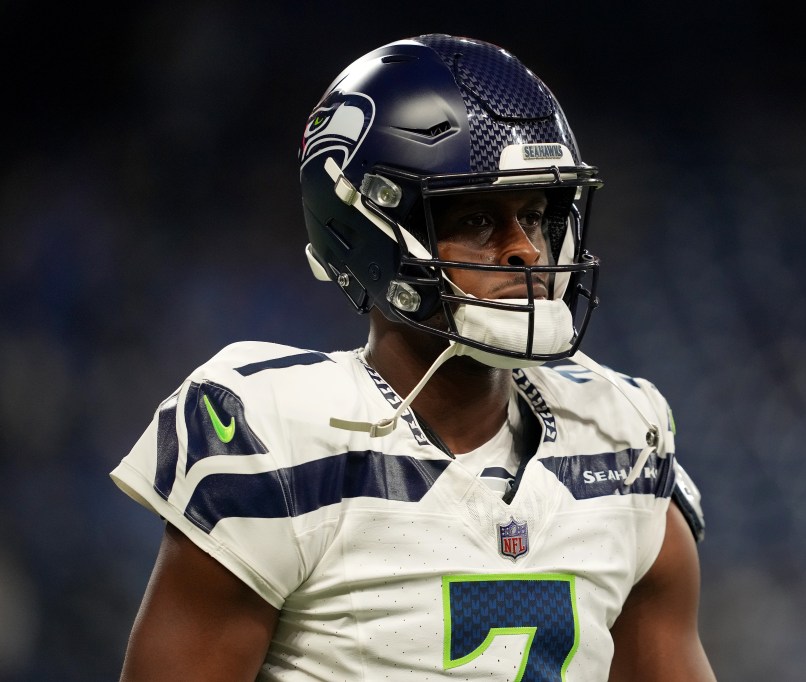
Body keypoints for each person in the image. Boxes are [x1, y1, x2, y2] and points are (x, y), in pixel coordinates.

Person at [111, 33, 715, 681]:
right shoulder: (275, 438)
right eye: (479, 220)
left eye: (535, 214)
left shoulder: (621, 433)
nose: (526, 252)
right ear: (368, 231)